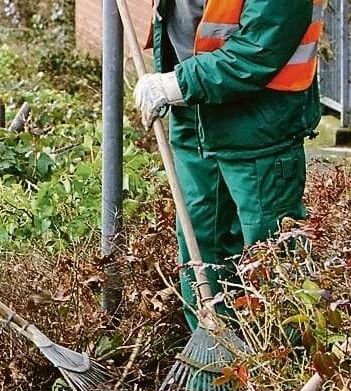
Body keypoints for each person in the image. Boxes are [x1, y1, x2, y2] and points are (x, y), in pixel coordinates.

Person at [134, 0, 323, 331]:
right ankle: (211, 366)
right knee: (200, 252)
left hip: (259, 132)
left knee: (271, 259)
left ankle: (275, 372)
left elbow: (261, 47)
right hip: (194, 121)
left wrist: (174, 84)